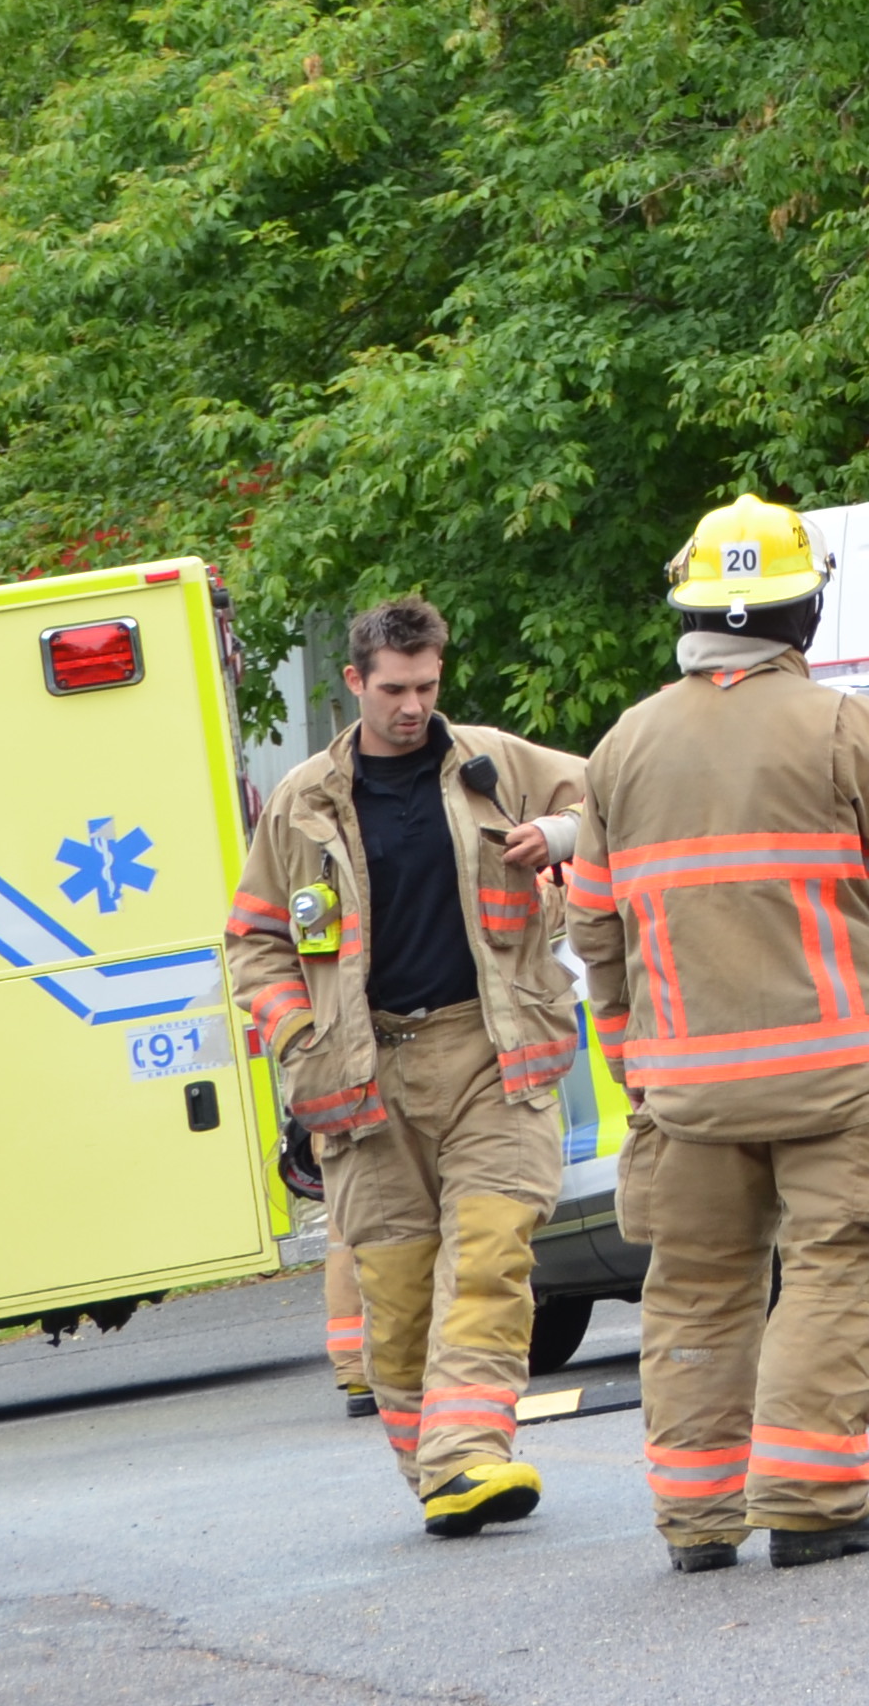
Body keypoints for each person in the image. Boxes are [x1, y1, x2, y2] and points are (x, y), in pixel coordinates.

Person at [577, 494, 869, 1570]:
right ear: (803, 612)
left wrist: (634, 1061)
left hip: (686, 1091)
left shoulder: (622, 748)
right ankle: (810, 1502)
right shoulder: (843, 726)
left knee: (695, 1291)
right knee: (832, 1271)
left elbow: (594, 924)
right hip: (838, 1078)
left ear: (691, 610)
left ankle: (698, 1519)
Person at [221, 596, 590, 1536]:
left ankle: (470, 1454)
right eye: (393, 689)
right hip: (361, 1072)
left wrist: (559, 838)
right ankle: (437, 1471)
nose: (413, 706)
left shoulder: (494, 765)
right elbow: (254, 941)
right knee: (395, 1295)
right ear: (355, 682)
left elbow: (620, 799)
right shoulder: (304, 802)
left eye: (426, 685)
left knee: (491, 1255)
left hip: (492, 1053)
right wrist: (299, 1037)